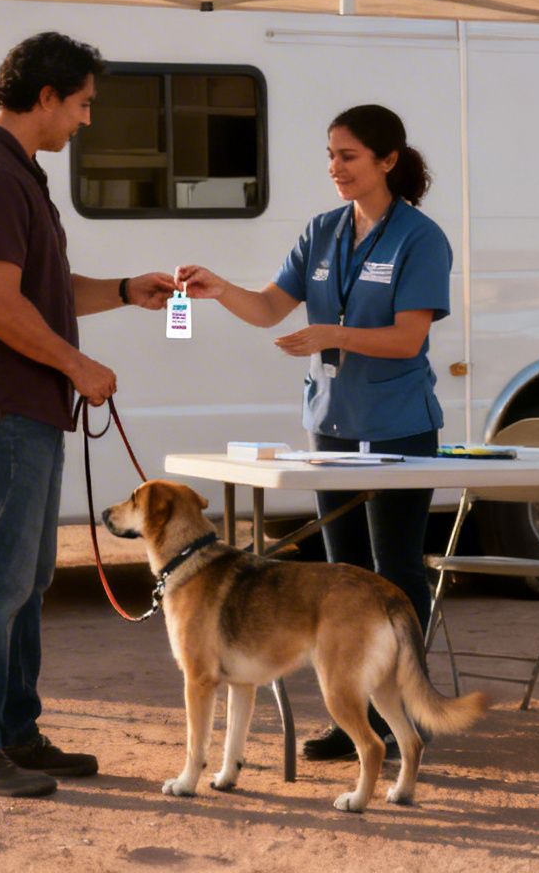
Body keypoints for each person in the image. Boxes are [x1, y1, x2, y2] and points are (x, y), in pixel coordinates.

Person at [0, 31, 174, 797]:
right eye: (81, 104)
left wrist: (128, 289)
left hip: (26, 408)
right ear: (45, 98)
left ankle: (14, 733)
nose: (85, 121)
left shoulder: (16, 174)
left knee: (25, 577)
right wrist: (78, 365)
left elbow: (43, 288)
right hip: (5, 408)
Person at [175, 103, 452, 762]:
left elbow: (409, 336)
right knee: (340, 578)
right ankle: (352, 714)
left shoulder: (420, 237)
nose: (335, 168)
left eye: (349, 156)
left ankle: (405, 711)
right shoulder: (322, 231)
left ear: (387, 160)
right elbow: (271, 305)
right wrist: (219, 290)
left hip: (399, 431)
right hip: (332, 429)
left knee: (395, 571)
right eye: (330, 155)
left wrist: (332, 334)